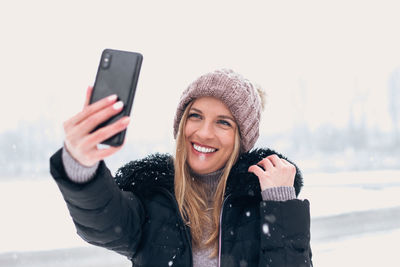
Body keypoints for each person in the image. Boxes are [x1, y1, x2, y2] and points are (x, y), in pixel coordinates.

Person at [50, 69, 312, 267]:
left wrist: (280, 205)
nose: (204, 132)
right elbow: (102, 224)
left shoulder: (260, 199)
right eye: (195, 116)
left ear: (241, 140)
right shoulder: (152, 195)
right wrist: (81, 164)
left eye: (223, 123)